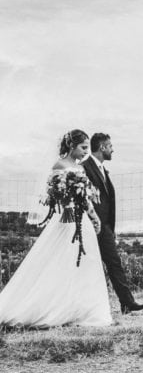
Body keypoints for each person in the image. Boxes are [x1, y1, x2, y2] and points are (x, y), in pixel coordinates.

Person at [0, 130, 112, 328]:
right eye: (83, 147)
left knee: (86, 262)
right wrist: (69, 202)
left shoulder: (79, 167)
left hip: (81, 219)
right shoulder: (60, 165)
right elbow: (55, 193)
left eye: (87, 147)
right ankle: (52, 307)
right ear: (71, 146)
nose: (86, 152)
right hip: (67, 218)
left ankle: (81, 308)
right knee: (60, 261)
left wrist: (93, 216)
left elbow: (85, 196)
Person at [82, 133, 143, 315]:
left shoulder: (102, 169)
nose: (113, 149)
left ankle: (127, 303)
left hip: (104, 227)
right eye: (110, 146)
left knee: (114, 263)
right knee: (88, 266)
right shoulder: (84, 167)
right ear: (102, 147)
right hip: (89, 225)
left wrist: (109, 228)